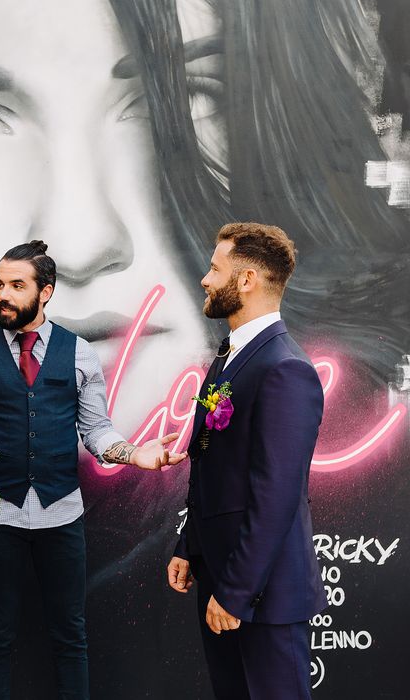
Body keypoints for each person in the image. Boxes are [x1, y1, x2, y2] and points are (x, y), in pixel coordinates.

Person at [0, 240, 186, 699]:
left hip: (62, 517)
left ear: (46, 292)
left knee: (70, 636)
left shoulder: (78, 353)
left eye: (17, 285)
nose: (4, 294)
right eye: (0, 284)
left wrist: (135, 454)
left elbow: (96, 430)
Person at [166, 222, 328, 699]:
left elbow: (276, 497)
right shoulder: (228, 359)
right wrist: (188, 544)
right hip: (221, 579)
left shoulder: (286, 369)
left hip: (261, 597)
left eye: (215, 269)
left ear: (247, 280)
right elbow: (217, 468)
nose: (205, 279)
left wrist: (235, 593)